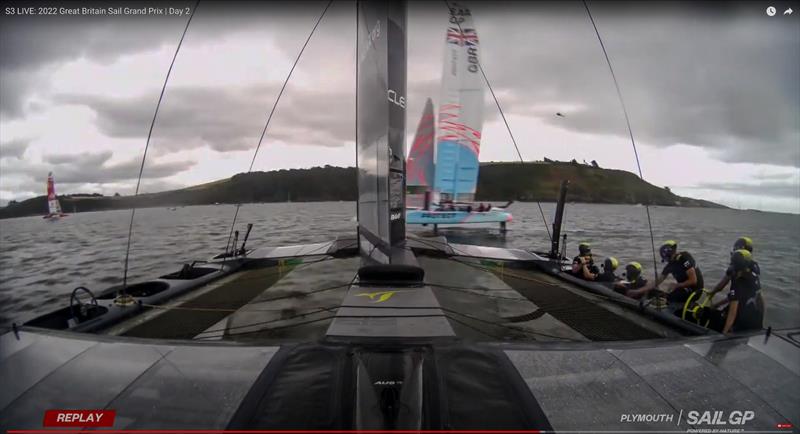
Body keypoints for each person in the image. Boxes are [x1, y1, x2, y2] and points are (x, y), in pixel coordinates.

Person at [626, 240, 704, 303]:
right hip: (684, 288)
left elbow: (693, 281)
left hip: (696, 291)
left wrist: (676, 285)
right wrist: (637, 291)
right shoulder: (669, 266)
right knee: (666, 295)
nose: (669, 261)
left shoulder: (684, 257)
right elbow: (656, 283)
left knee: (671, 298)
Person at [713, 249, 764, 333]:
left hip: (743, 324)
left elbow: (732, 313)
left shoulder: (737, 282)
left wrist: (723, 333)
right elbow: (761, 301)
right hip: (755, 322)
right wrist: (717, 304)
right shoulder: (754, 277)